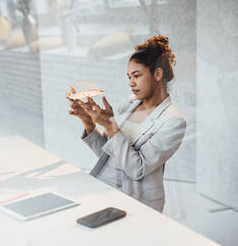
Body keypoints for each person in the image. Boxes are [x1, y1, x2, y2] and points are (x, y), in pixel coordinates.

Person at [67, 35, 186, 212]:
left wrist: (110, 126)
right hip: (100, 187)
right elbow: (110, 155)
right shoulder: (130, 102)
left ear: (158, 74)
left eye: (136, 76)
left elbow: (136, 169)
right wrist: (90, 125)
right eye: (129, 76)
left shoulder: (173, 122)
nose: (131, 83)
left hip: (134, 201)